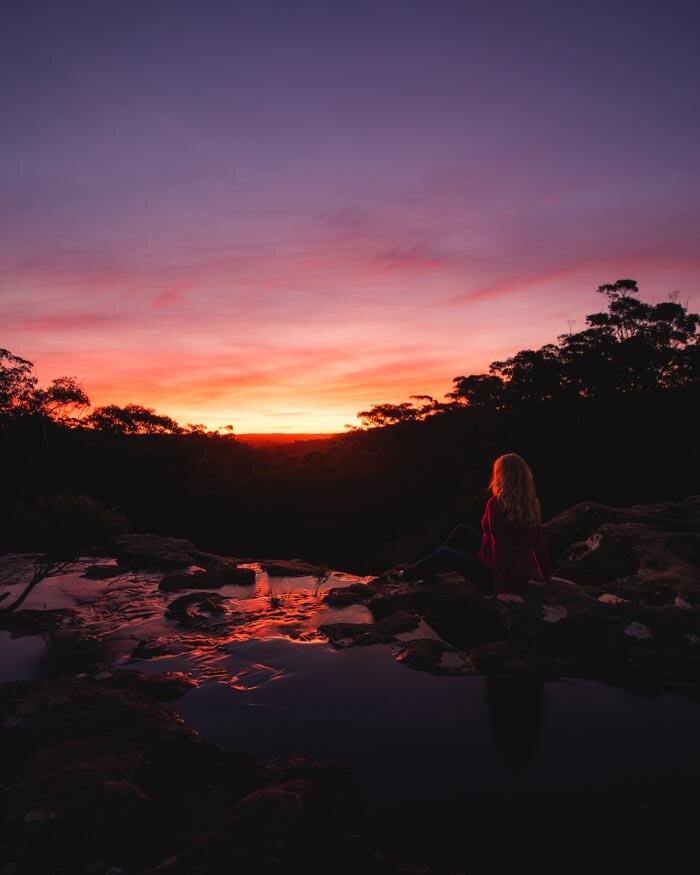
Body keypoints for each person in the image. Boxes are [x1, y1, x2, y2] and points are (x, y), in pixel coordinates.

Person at [395, 453, 552, 601]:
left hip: (493, 575)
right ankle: (430, 569)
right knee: (461, 531)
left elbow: (500, 549)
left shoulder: (497, 505)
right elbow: (539, 542)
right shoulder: (531, 502)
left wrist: (500, 590)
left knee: (444, 553)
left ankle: (406, 575)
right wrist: (547, 576)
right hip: (519, 573)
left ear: (502, 475)